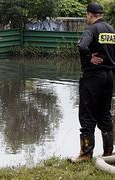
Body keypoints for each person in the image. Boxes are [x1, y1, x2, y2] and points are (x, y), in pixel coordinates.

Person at [70, 2, 115, 163]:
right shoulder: (111, 30)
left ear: (90, 14)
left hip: (93, 77)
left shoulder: (92, 29)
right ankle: (108, 153)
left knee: (87, 115)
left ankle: (85, 154)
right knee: (104, 114)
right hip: (109, 76)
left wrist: (90, 57)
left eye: (86, 15)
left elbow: (82, 45)